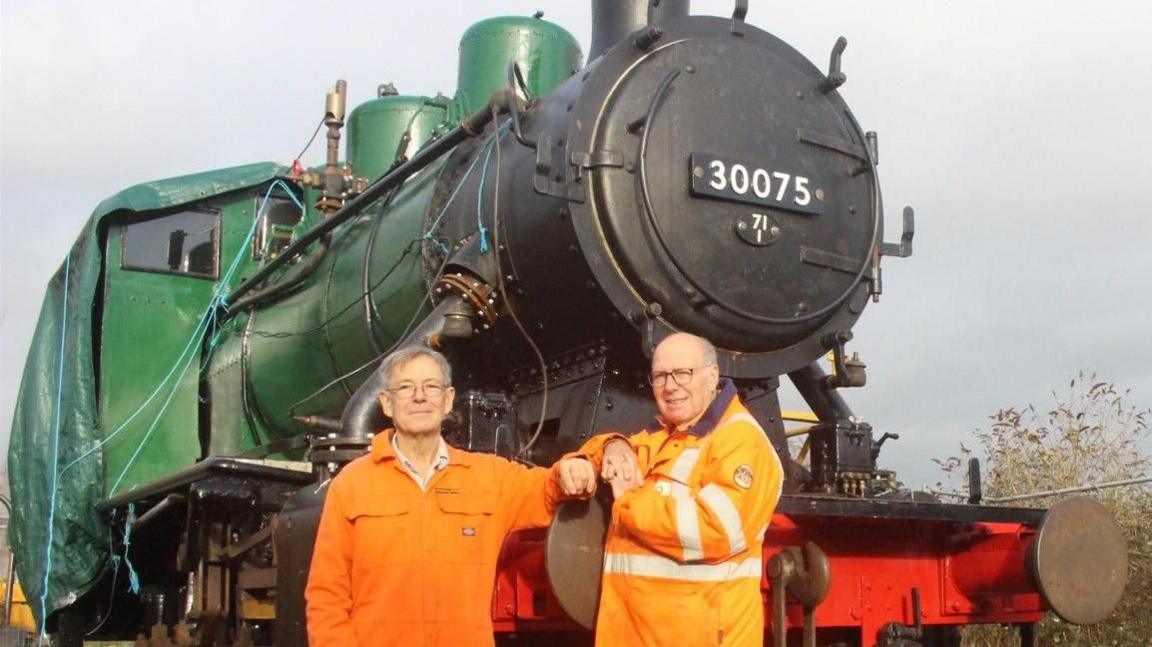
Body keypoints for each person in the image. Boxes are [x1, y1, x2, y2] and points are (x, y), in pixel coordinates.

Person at [305, 346, 596, 647]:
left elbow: (546, 488)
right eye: (406, 388)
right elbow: (327, 595)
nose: (420, 396)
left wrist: (573, 467)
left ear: (447, 400)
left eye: (431, 386)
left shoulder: (488, 477)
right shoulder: (351, 484)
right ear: (386, 404)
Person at [564, 333, 784, 647]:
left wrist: (627, 502)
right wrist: (613, 445)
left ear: (712, 377)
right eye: (660, 376)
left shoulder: (741, 441)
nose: (670, 386)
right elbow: (616, 454)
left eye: (683, 373)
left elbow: (716, 529)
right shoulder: (669, 434)